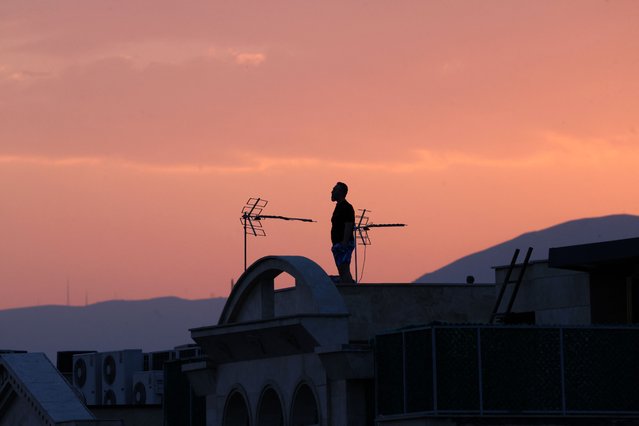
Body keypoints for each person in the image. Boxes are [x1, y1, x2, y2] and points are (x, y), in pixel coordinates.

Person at [331, 182, 355, 283]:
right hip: (338, 243)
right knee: (342, 270)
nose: (332, 192)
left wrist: (344, 243)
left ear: (341, 192)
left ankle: (351, 292)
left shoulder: (346, 207)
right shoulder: (339, 207)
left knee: (344, 269)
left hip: (343, 243)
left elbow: (349, 225)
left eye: (335, 189)